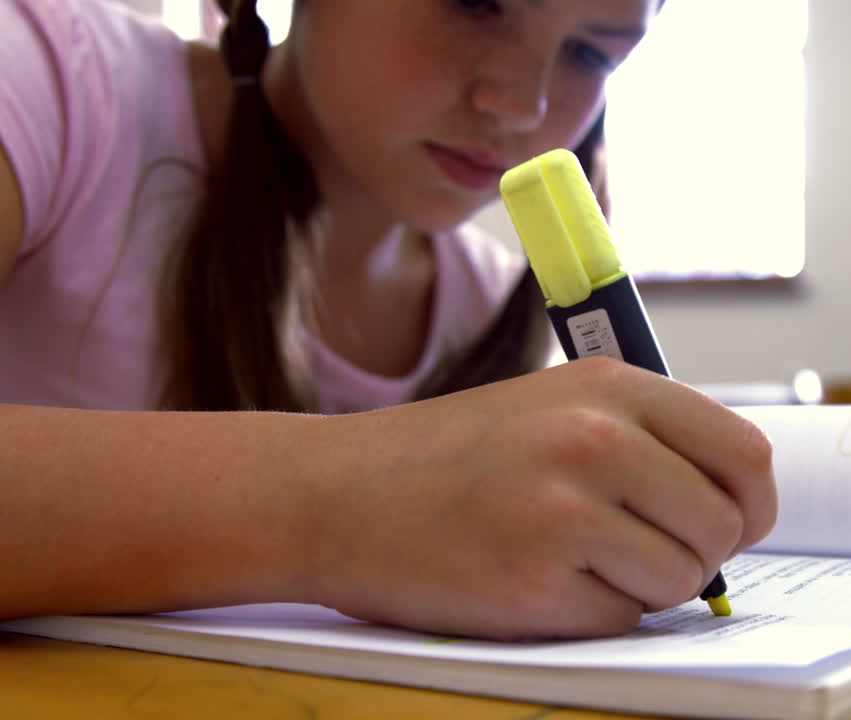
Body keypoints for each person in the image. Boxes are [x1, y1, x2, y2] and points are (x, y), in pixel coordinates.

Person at [0, 0, 776, 641]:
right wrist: (337, 507)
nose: (523, 103)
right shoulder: (51, 80)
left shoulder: (481, 307)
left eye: (591, 54)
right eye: (476, 5)